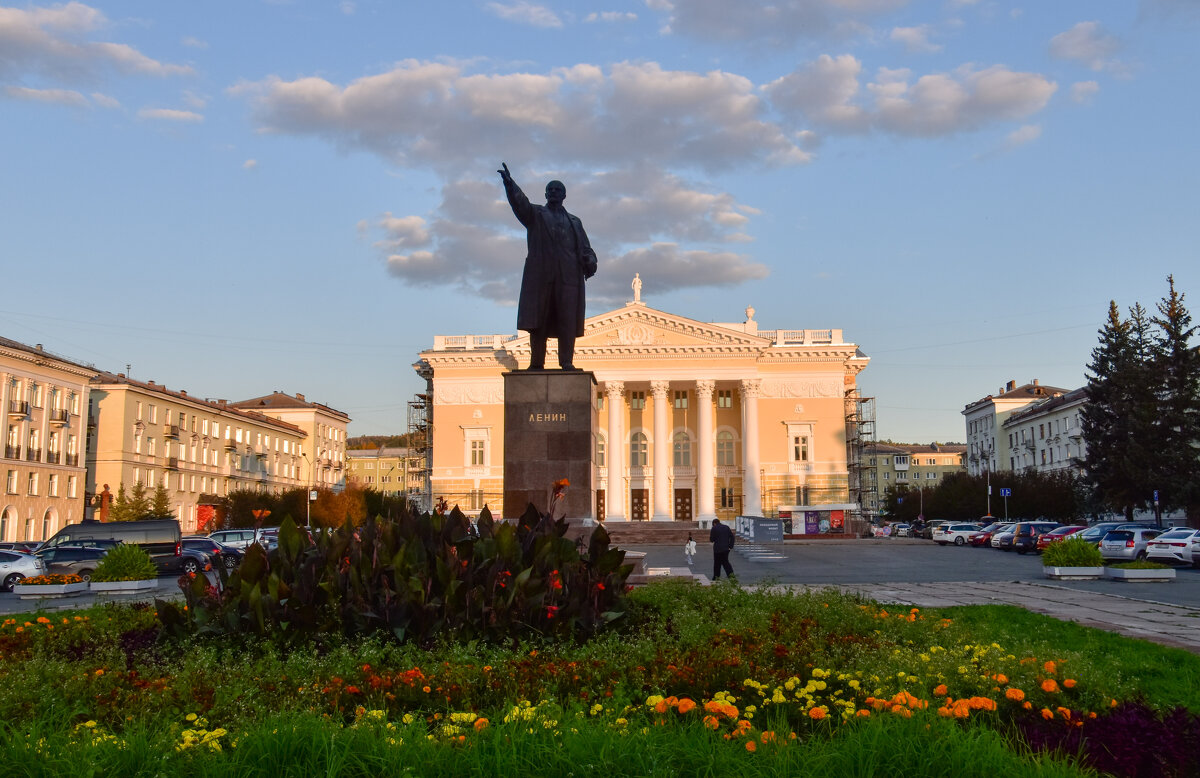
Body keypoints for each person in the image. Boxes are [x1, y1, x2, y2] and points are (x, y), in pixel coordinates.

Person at [498, 163, 598, 370]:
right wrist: (510, 185)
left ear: (564, 195)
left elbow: (585, 247)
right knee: (539, 321)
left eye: (557, 189)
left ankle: (566, 361)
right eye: (550, 189)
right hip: (541, 276)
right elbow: (521, 205)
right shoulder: (536, 215)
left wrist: (590, 260)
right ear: (545, 193)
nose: (553, 192)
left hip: (568, 278)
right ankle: (536, 363)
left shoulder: (575, 222)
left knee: (567, 320)